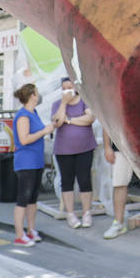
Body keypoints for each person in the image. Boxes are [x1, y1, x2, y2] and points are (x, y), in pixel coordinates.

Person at [11, 82, 54, 246]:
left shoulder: (33, 112)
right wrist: (44, 132)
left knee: (33, 198)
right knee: (23, 197)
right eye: (37, 92)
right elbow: (24, 139)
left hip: (36, 161)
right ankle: (19, 234)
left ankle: (31, 230)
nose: (39, 95)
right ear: (32, 96)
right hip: (25, 162)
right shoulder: (23, 116)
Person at [51, 76, 97, 229]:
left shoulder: (84, 100)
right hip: (63, 150)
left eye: (70, 86)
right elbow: (57, 122)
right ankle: (70, 213)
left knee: (84, 180)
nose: (67, 90)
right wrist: (64, 103)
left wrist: (69, 120)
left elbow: (89, 119)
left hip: (85, 147)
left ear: (76, 87)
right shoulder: (57, 104)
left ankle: (86, 213)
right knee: (67, 182)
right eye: (64, 87)